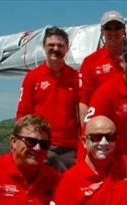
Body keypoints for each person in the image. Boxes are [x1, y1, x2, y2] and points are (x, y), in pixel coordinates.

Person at [16, 26, 80, 171]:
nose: (55, 49)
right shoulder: (32, 77)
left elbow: (82, 113)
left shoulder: (76, 77)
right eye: (51, 45)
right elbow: (23, 113)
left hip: (69, 148)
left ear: (67, 49)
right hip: (40, 144)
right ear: (44, 47)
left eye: (60, 45)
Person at [79, 10, 127, 121]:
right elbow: (83, 103)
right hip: (105, 129)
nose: (113, 32)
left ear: (124, 30)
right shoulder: (90, 62)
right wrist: (86, 133)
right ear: (102, 32)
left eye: (117, 28)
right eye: (108, 28)